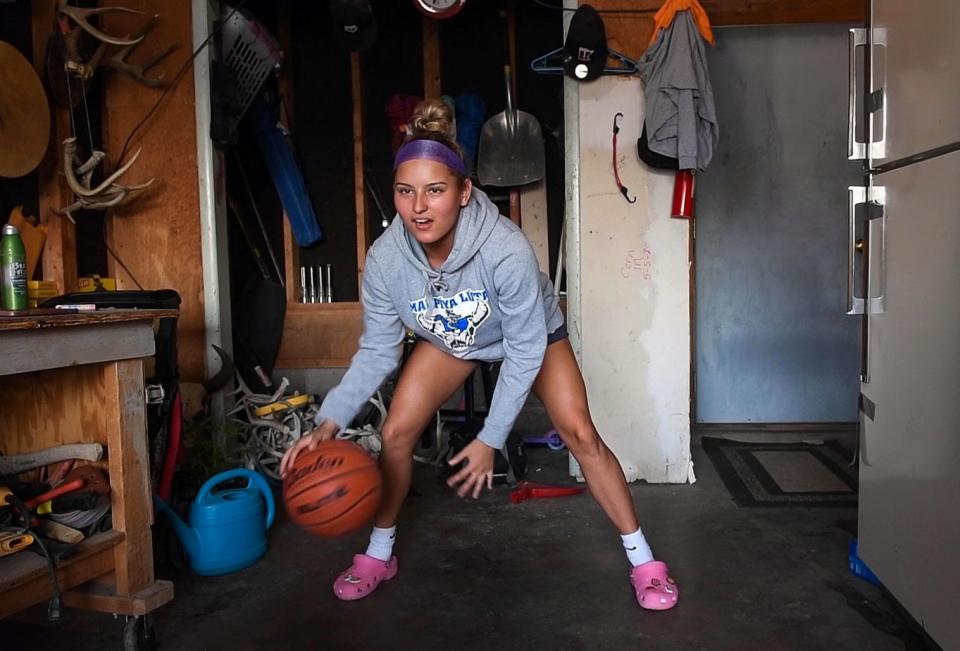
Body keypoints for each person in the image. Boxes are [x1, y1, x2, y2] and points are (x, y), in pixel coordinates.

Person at [279, 99, 679, 610]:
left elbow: (525, 349)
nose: (419, 207)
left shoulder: (505, 249)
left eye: (435, 191)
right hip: (453, 339)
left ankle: (644, 560)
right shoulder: (384, 262)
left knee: (581, 432)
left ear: (464, 192)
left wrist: (492, 437)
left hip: (529, 336)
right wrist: (328, 422)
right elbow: (379, 349)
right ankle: (380, 553)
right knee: (395, 433)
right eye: (406, 192)